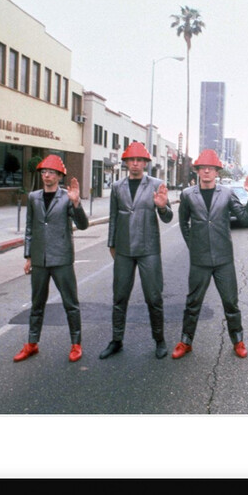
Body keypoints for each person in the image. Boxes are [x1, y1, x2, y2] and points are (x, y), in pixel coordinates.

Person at [172, 150, 248, 360]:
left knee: (231, 303)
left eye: (211, 168)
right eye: (203, 168)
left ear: (217, 172)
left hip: (223, 259)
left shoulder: (227, 194)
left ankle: (238, 341)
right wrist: (192, 245)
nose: (207, 171)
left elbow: (245, 219)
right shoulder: (188, 194)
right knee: (193, 303)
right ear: (198, 171)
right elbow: (183, 223)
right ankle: (185, 341)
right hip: (199, 260)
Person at [99, 142, 173, 360]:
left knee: (154, 297)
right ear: (126, 162)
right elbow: (114, 217)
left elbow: (168, 218)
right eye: (131, 160)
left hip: (149, 249)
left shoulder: (156, 184)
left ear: (145, 163)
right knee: (119, 297)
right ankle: (116, 340)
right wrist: (111, 244)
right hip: (123, 249)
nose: (135, 164)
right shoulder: (117, 187)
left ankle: (159, 339)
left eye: (139, 160)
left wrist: (162, 206)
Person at [13, 155, 89, 363]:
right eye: (44, 172)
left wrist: (76, 203)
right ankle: (32, 343)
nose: (47, 175)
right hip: (39, 259)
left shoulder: (66, 197)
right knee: (36, 304)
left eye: (52, 172)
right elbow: (30, 228)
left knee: (70, 303)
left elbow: (83, 225)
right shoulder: (33, 197)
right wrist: (29, 256)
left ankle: (76, 343)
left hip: (62, 258)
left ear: (59, 176)